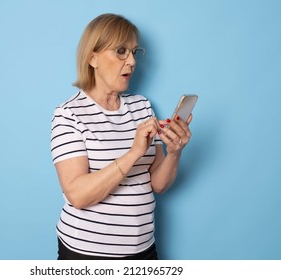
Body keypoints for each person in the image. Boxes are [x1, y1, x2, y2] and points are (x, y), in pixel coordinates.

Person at [50, 13, 193, 260]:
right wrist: (134, 153)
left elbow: (158, 184)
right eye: (121, 51)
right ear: (92, 58)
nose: (132, 61)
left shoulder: (141, 107)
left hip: (143, 251)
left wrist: (175, 152)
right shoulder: (68, 114)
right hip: (87, 254)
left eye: (134, 52)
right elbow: (78, 195)